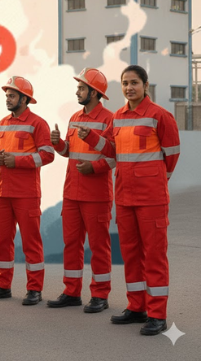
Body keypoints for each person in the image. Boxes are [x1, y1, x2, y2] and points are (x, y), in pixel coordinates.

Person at [76, 65, 180, 335]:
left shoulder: (160, 115)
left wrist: (156, 178)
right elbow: (111, 149)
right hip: (124, 197)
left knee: (154, 256)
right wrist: (92, 138)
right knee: (131, 255)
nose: (129, 87)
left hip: (152, 199)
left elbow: (171, 155)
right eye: (124, 83)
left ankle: (157, 314)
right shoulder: (118, 117)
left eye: (134, 82)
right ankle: (137, 307)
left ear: (146, 85)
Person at [47, 68, 115, 313]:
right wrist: (57, 143)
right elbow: (68, 152)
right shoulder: (74, 117)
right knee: (71, 244)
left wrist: (94, 168)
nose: (77, 91)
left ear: (95, 93)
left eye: (82, 88)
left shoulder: (110, 119)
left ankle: (100, 295)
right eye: (78, 87)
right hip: (72, 193)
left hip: (96, 195)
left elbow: (114, 156)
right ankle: (71, 292)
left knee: (99, 246)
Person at [0, 76, 54, 305]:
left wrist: (17, 161)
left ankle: (35, 289)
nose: (8, 99)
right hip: (3, 192)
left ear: (25, 99)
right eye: (7, 95)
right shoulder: (2, 122)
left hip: (26, 194)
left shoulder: (38, 123)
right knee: (3, 241)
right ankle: (3, 285)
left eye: (12, 95)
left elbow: (48, 155)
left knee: (31, 242)